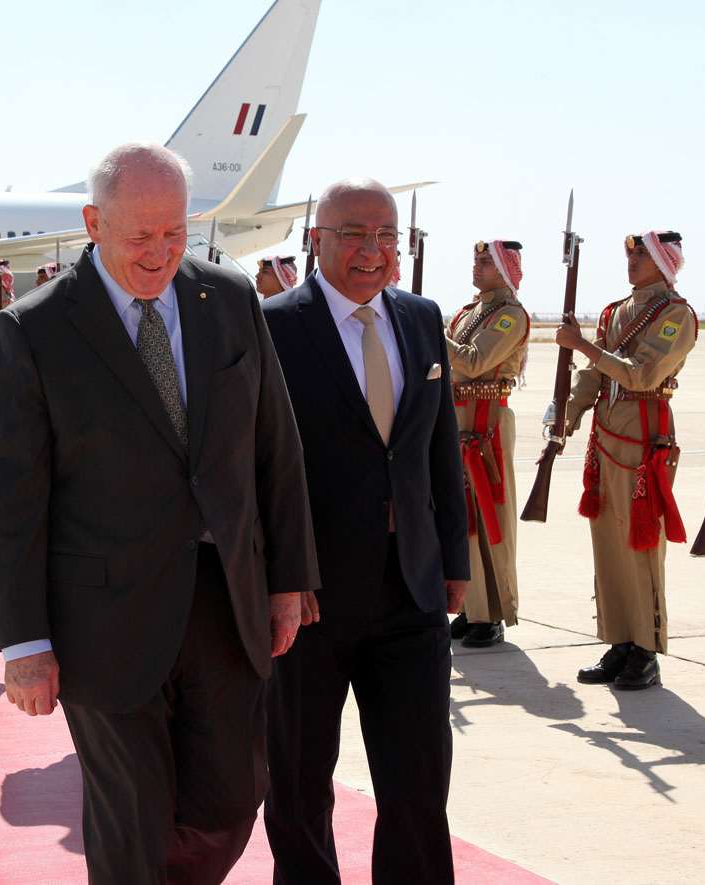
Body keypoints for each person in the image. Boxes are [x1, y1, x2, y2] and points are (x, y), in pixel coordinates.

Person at [0, 142, 318, 884]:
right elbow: (10, 497)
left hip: (224, 600)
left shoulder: (228, 300)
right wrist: (24, 641)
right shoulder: (35, 329)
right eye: (141, 236)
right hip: (103, 620)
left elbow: (275, 445)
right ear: (94, 222)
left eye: (176, 232)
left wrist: (288, 579)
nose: (161, 252)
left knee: (232, 797)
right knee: (133, 816)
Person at [261, 177, 469, 883]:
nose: (372, 249)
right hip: (310, 597)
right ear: (317, 239)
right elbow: (257, 462)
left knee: (417, 783)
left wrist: (456, 557)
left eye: (386, 234)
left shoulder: (420, 317)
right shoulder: (275, 324)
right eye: (352, 232)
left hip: (411, 587)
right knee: (298, 784)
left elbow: (441, 446)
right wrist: (280, 576)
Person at [555, 230, 697, 689]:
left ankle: (646, 650)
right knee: (609, 548)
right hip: (607, 438)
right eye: (631, 253)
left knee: (641, 548)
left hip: (643, 439)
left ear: (663, 261)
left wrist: (584, 347)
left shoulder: (675, 314)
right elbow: (594, 374)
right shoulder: (617, 312)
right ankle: (618, 641)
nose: (632, 260)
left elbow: (642, 375)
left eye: (642, 254)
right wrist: (568, 416)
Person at [445, 240, 529, 649]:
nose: (477, 267)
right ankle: (469, 607)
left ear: (505, 268)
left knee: (489, 515)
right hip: (457, 418)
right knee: (462, 517)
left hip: (487, 420)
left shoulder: (510, 315)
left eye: (486, 261)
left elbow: (474, 362)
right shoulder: (467, 313)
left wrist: (429, 331)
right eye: (476, 260)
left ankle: (492, 613)